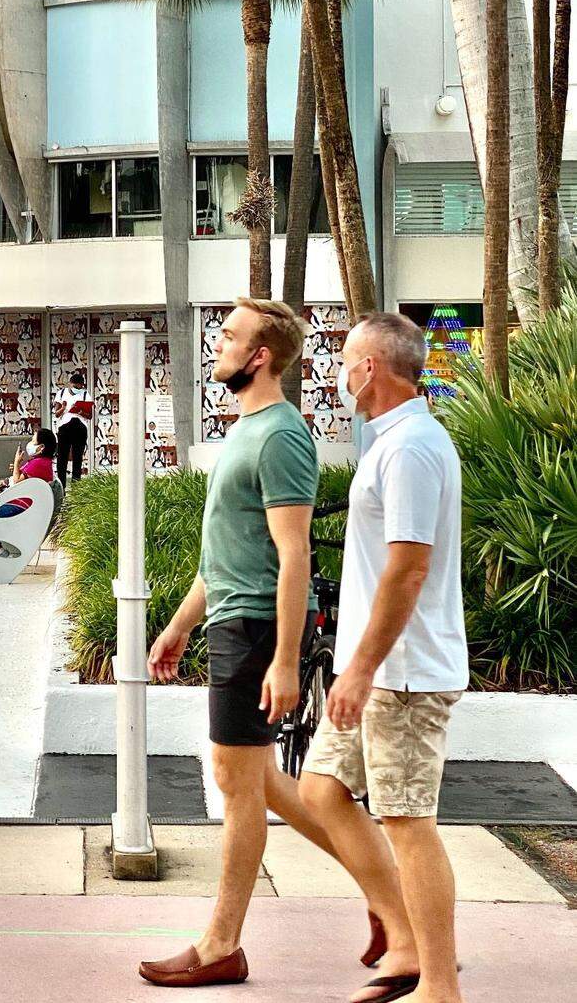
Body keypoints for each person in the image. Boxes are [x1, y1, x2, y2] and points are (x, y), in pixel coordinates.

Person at [139, 298, 408, 991]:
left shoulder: (282, 435)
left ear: (261, 356)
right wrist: (179, 623)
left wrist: (286, 659)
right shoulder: (248, 428)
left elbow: (293, 557)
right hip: (234, 618)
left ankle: (220, 944)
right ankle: (393, 904)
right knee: (266, 784)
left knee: (238, 785)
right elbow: (225, 554)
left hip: (257, 626)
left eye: (229, 336)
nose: (217, 345)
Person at [301, 313, 469, 1003]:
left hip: (401, 674)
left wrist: (362, 668)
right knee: (321, 791)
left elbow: (408, 569)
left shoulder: (412, 449)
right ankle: (404, 941)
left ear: (372, 367)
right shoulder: (392, 441)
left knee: (407, 820)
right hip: (375, 670)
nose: (341, 372)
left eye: (346, 359)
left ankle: (439, 986)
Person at [0, 426, 57, 511]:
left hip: (14, 495)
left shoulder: (39, 463)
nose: (30, 443)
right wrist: (16, 468)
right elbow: (25, 476)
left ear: (41, 447)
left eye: (33, 441)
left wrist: (16, 462)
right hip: (15, 492)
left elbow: (17, 482)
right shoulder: (42, 461)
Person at [53, 369, 92, 486]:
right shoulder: (61, 393)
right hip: (65, 427)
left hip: (80, 426)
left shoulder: (85, 394)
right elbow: (56, 413)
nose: (77, 389)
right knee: (62, 458)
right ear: (70, 384)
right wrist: (64, 408)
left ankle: (76, 487)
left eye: (79, 387)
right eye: (75, 386)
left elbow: (89, 415)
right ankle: (61, 486)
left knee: (77, 457)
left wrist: (80, 411)